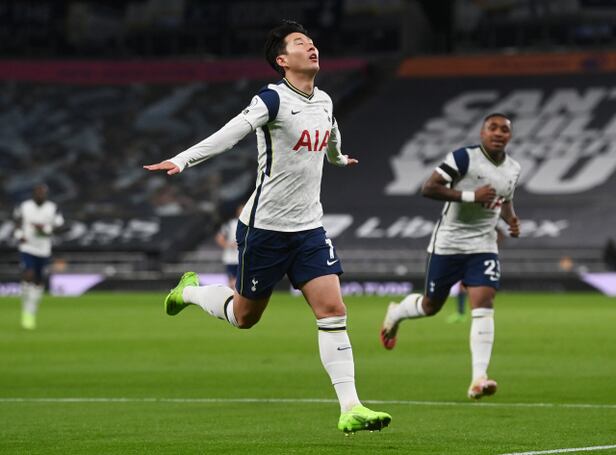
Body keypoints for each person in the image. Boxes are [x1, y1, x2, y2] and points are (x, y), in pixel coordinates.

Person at [144, 20, 391, 434]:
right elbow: (231, 133)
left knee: (333, 310)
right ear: (282, 60)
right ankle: (189, 291)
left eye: (311, 41)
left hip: (309, 229)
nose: (311, 47)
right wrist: (183, 159)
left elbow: (330, 135)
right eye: (300, 43)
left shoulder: (324, 100)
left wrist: (338, 158)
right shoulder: (272, 99)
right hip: (265, 229)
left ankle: (351, 407)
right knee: (245, 317)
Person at [380, 113, 521, 400]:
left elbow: (505, 198)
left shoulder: (513, 168)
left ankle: (478, 378)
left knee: (484, 303)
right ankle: (396, 313)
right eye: (492, 128)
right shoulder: (463, 158)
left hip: (483, 245)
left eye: (504, 129)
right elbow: (429, 187)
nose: (498, 133)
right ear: (482, 133)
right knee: (431, 306)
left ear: (510, 136)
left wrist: (511, 219)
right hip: (448, 244)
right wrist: (470, 196)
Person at [13, 184, 64, 330]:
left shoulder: (52, 208)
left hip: (44, 249)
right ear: (33, 193)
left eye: (42, 193)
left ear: (46, 194)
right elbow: (17, 222)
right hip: (27, 247)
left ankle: (32, 310)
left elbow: (60, 225)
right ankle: (26, 310)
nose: (40, 195)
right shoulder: (24, 206)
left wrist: (47, 229)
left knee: (38, 282)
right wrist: (19, 235)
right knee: (28, 274)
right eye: (38, 192)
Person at [215, 204, 243, 288]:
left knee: (240, 282)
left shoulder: (250, 225)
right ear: (238, 211)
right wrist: (229, 245)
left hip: (244, 258)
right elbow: (219, 238)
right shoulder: (230, 224)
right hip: (231, 259)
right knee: (232, 282)